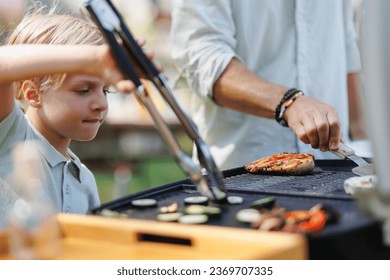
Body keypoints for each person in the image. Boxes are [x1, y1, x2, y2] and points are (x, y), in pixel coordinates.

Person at [170, 0, 367, 170]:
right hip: (242, 173)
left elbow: (345, 45)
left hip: (335, 166)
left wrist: (364, 141)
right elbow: (202, 59)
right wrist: (289, 102)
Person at [0, 3, 136, 219]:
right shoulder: (11, 136)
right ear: (33, 95)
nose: (101, 103)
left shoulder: (84, 179)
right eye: (83, 90)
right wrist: (91, 59)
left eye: (106, 89)